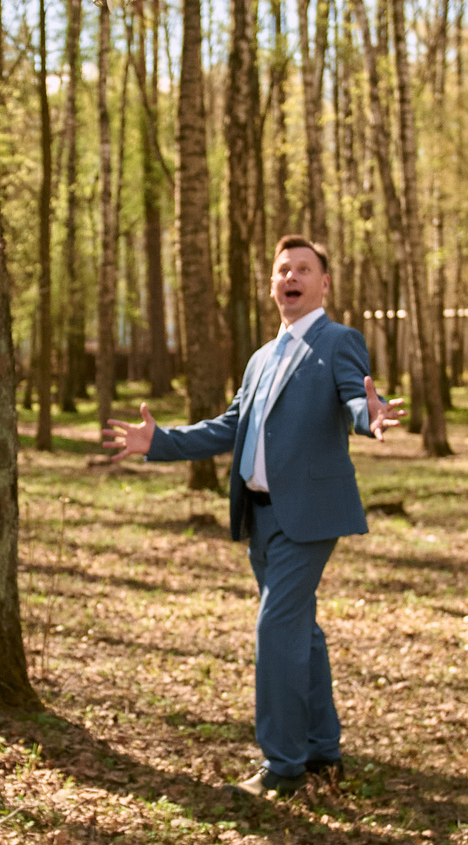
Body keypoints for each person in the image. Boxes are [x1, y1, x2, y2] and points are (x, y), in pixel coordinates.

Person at [100, 239, 402, 798]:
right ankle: (323, 751)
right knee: (301, 632)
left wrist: (371, 415)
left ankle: (282, 766)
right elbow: (229, 427)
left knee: (276, 628)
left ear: (324, 284)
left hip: (309, 516)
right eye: (283, 270)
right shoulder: (261, 358)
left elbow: (354, 397)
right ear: (272, 285)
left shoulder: (338, 341)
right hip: (259, 516)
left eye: (304, 269)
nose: (292, 277)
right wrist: (159, 442)